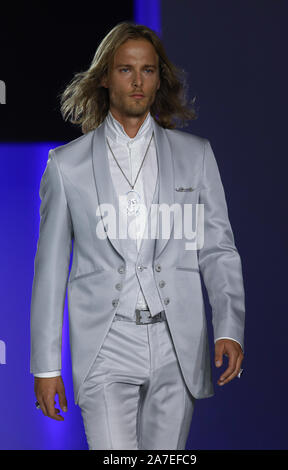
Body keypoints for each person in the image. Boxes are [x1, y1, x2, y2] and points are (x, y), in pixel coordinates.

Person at [30, 22, 245, 450]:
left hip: (176, 342)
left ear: (158, 77)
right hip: (106, 343)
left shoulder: (195, 156)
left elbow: (218, 248)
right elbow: (51, 270)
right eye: (126, 70)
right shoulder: (66, 165)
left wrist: (230, 326)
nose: (137, 81)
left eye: (147, 70)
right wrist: (46, 365)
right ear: (106, 76)